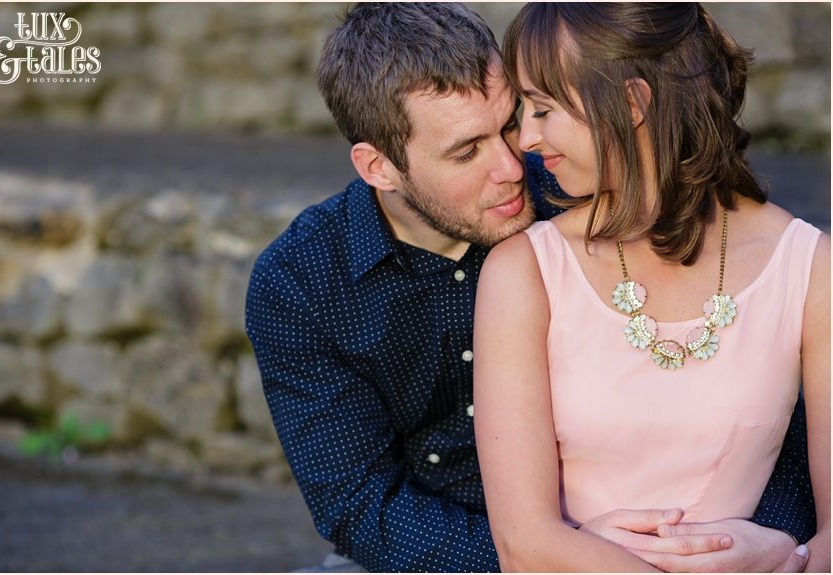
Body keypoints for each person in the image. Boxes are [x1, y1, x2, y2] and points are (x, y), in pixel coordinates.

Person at [246, 3, 816, 572]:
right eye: (467, 151)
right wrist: (564, 555)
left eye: (513, 120)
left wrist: (771, 542)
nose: (514, 166)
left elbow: (762, 395)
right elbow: (360, 507)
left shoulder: (583, 178)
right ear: (379, 168)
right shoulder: (301, 283)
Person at [473, 2, 830, 572]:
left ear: (633, 103)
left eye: (542, 109)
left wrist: (795, 555)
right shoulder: (523, 272)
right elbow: (524, 542)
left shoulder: (812, 268)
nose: (527, 138)